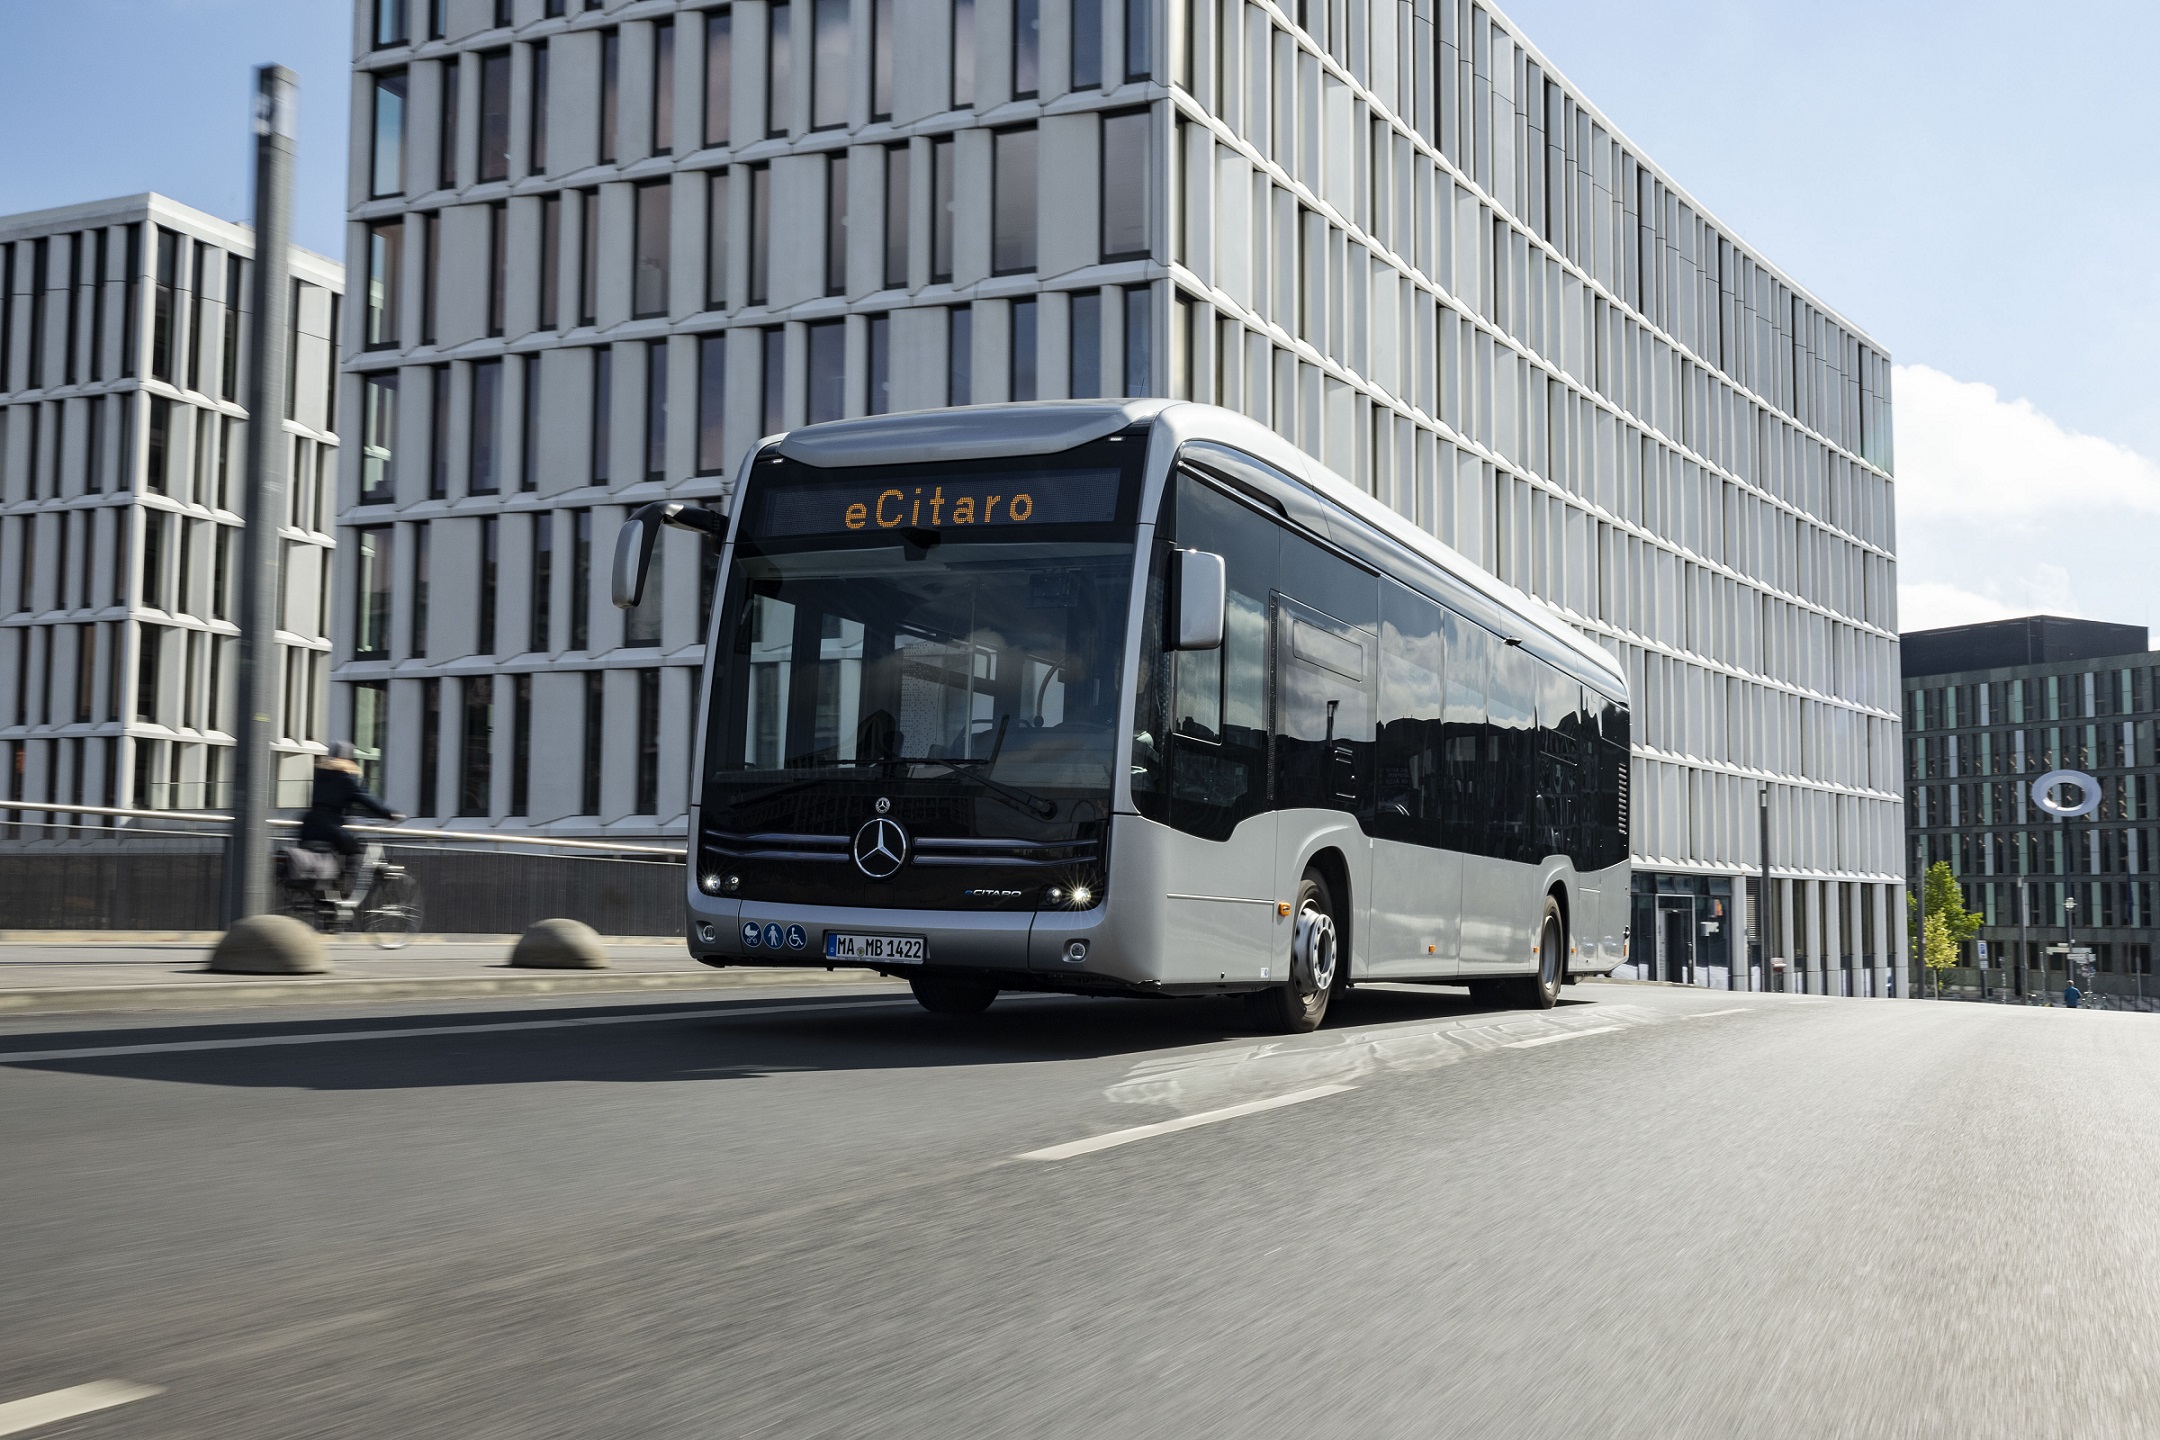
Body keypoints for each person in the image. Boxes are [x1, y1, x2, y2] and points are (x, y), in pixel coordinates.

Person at [299, 742, 402, 896]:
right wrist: (389, 813)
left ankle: (330, 890)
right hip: (330, 828)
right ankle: (346, 890)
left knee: (337, 851)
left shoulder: (319, 774)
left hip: (308, 825)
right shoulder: (344, 776)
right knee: (357, 851)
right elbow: (364, 798)